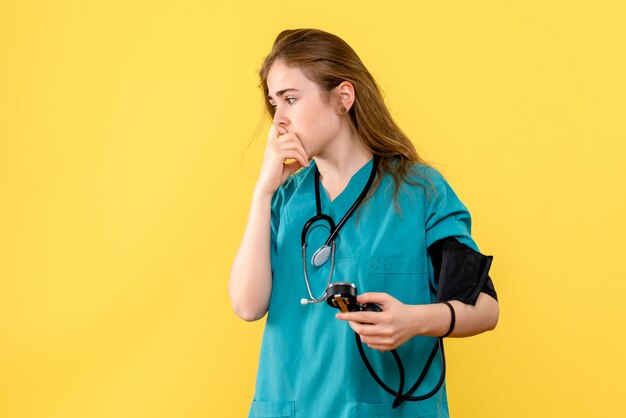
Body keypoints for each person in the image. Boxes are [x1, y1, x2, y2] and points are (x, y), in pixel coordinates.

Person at [229, 28, 499, 418]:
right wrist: (263, 192)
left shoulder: (420, 191)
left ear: (343, 97)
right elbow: (247, 304)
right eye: (274, 104)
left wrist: (415, 320)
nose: (279, 121)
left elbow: (485, 308)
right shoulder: (284, 197)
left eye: (290, 99)